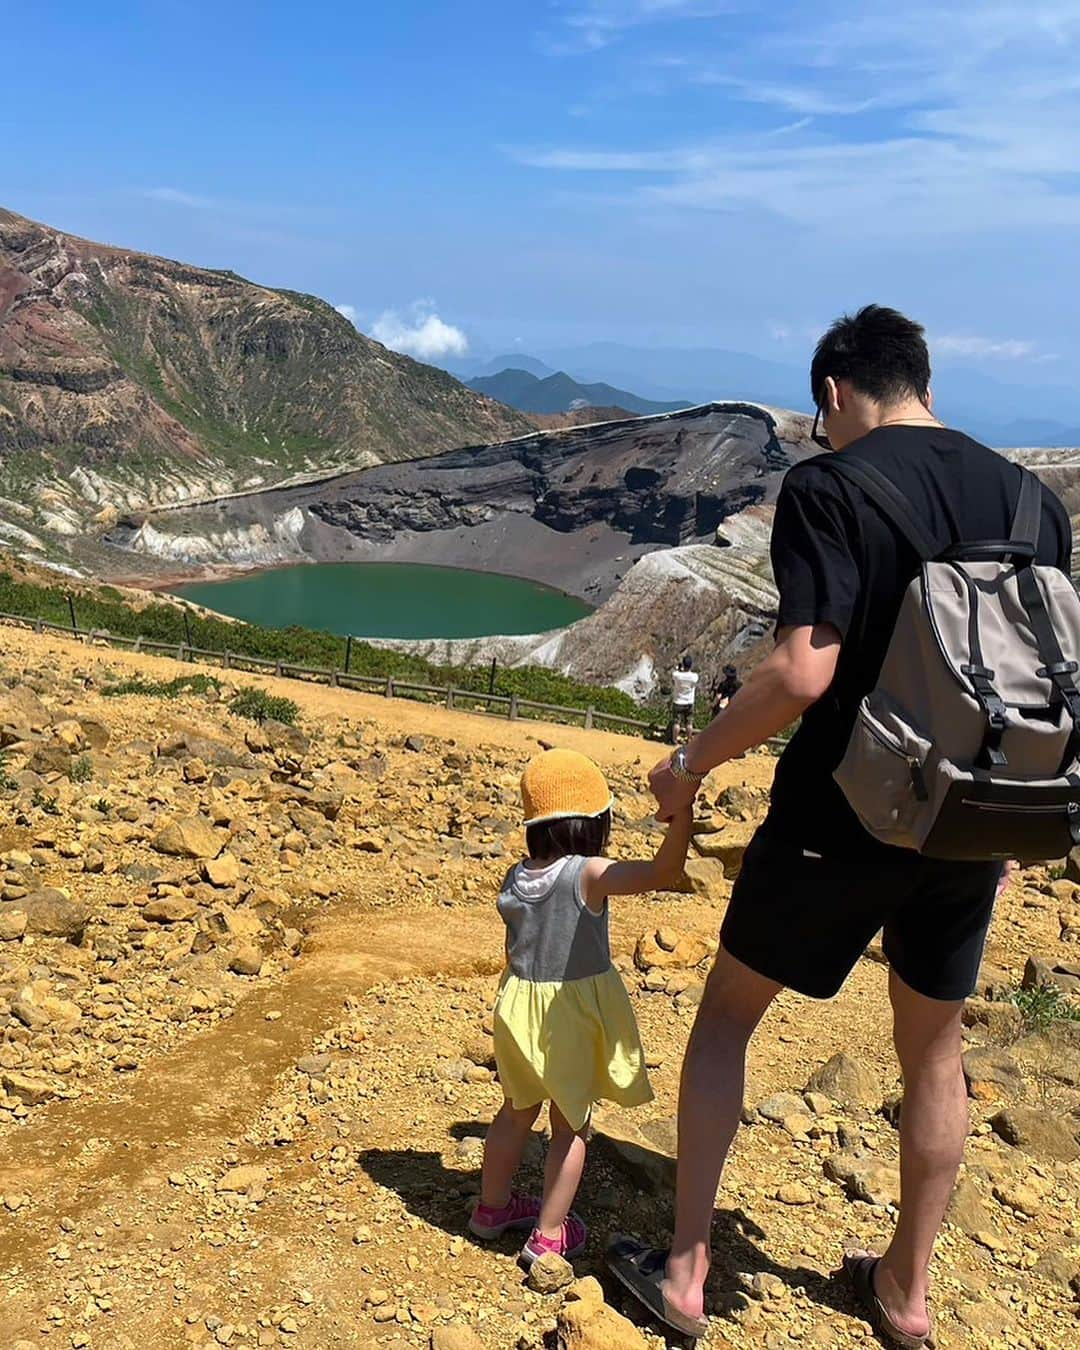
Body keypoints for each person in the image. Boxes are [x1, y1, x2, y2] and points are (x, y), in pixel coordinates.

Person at [607, 305, 1072, 1345]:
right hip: (974, 818)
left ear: (832, 394)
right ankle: (905, 1297)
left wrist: (688, 765)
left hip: (843, 812)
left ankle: (686, 1275)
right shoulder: (1035, 502)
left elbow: (801, 673)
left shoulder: (830, 484)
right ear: (927, 381)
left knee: (728, 1013)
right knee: (935, 1056)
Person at [470, 747, 692, 1268]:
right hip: (564, 1018)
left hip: (517, 1006)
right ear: (594, 822)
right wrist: (680, 817)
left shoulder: (516, 877)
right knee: (571, 1126)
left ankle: (490, 1210)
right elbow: (665, 871)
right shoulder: (587, 874)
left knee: (515, 1111)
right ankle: (549, 1236)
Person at [670, 654, 699, 744]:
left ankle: (674, 740)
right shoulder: (694, 677)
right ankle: (689, 739)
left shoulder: (677, 675)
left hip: (678, 701)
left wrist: (679, 669)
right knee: (689, 722)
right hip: (689, 702)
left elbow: (674, 675)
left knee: (676, 722)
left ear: (683, 664)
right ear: (691, 665)